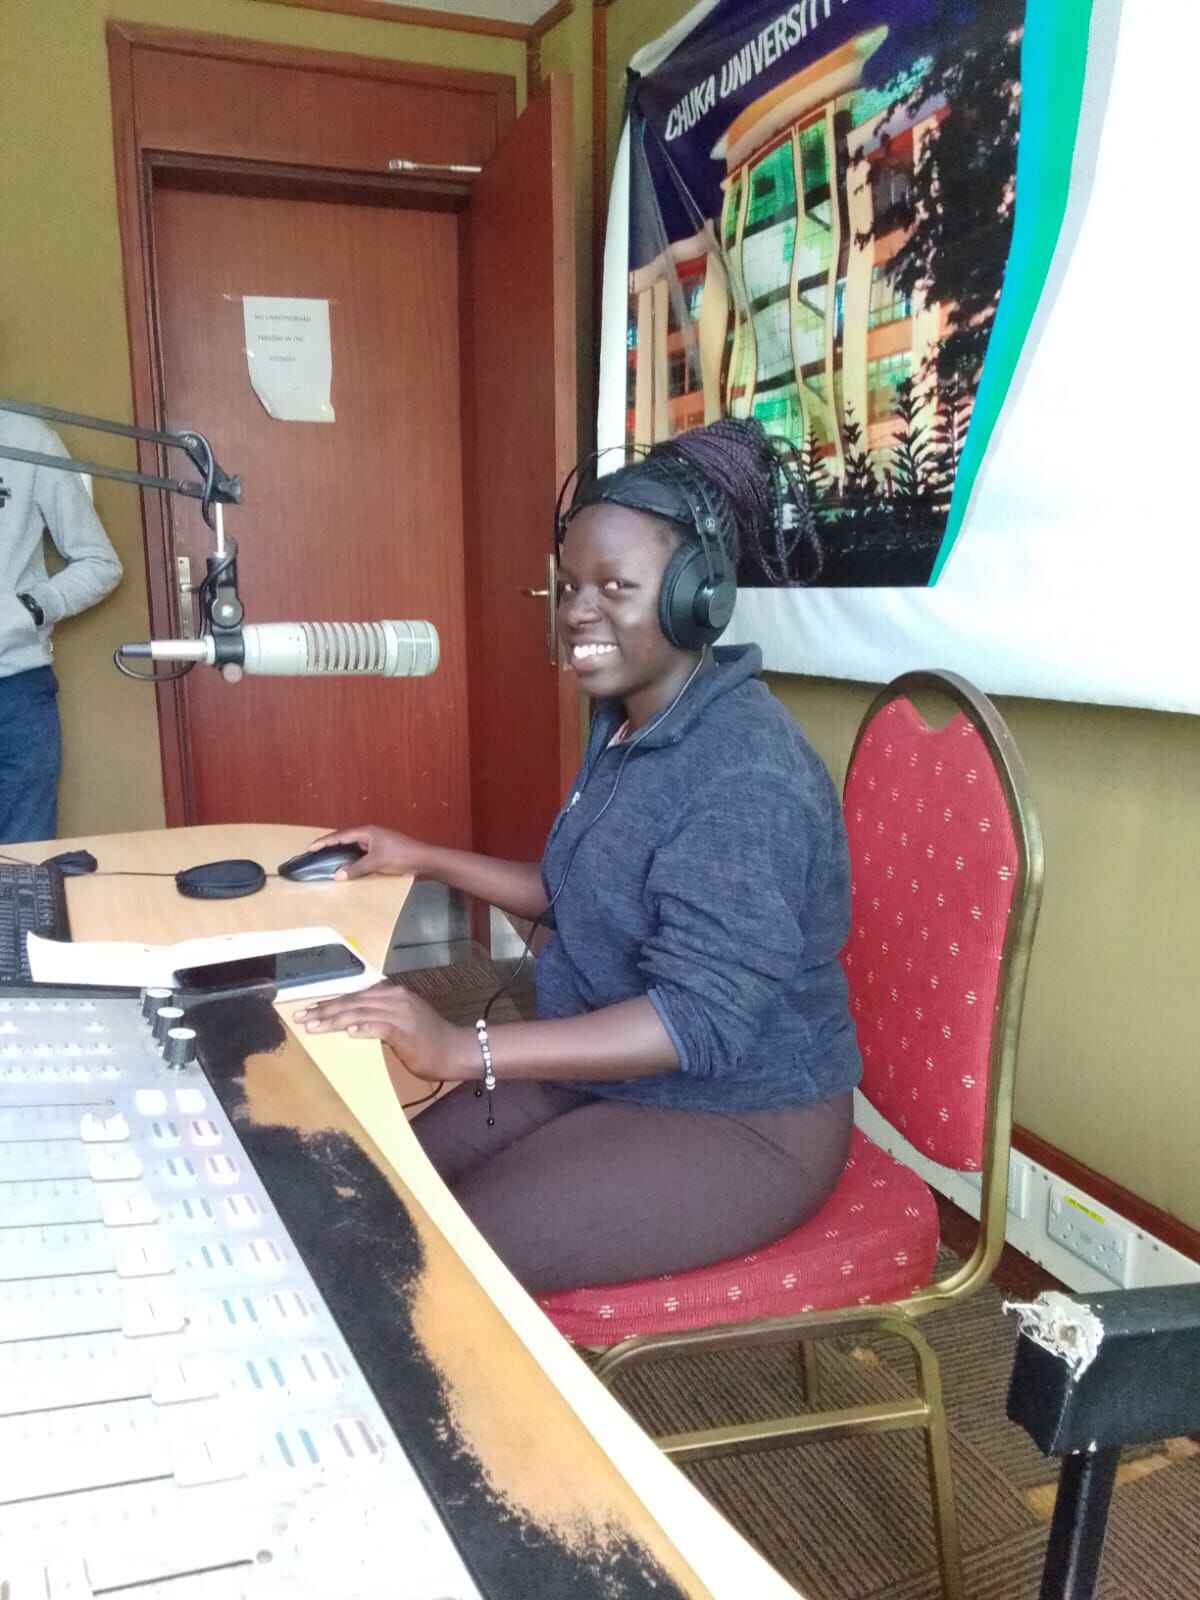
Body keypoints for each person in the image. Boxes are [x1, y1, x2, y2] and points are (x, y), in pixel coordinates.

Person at [297, 418, 861, 1294]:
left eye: (614, 587)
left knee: (430, 1264)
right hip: (614, 1062)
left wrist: (462, 1048)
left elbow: (696, 1021)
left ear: (696, 597)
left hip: (745, 1114)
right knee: (374, 1181)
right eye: (568, 588)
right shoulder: (629, 726)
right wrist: (421, 856)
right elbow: (580, 895)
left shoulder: (747, 774)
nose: (576, 613)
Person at [1, 410, 123, 843]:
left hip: (14, 691)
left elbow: (100, 563)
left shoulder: (28, 439)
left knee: (24, 863)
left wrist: (30, 609)